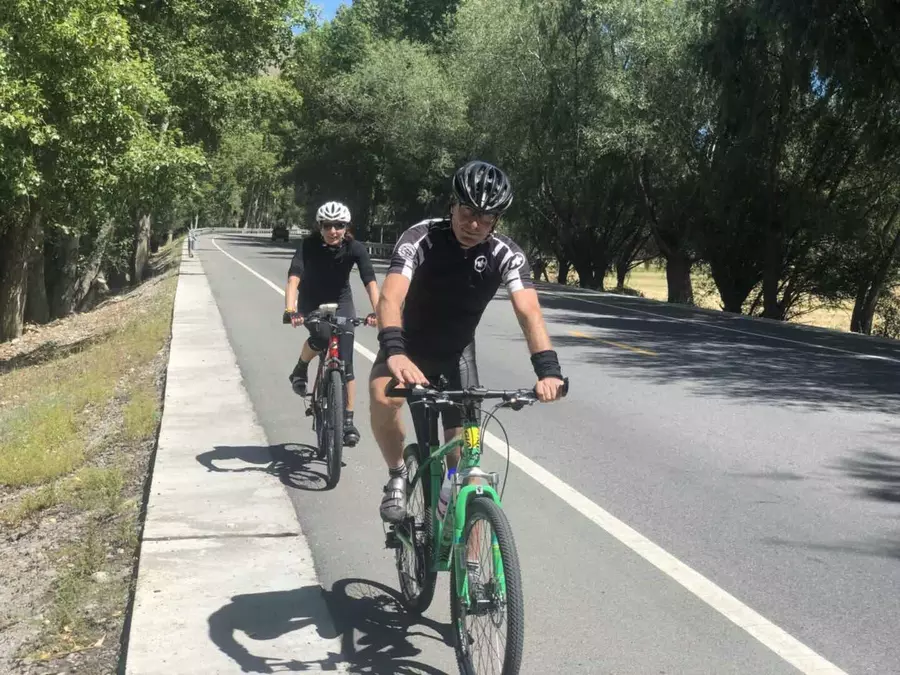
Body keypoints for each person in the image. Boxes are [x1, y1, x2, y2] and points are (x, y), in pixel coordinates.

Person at [368, 160, 567, 523]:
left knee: (466, 468)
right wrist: (394, 351)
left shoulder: (505, 253)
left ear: (496, 220)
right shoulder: (421, 237)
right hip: (407, 348)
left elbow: (529, 312)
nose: (474, 224)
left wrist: (548, 369)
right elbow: (390, 298)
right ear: (452, 206)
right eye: (468, 212)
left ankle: (469, 549)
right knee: (383, 397)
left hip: (457, 356)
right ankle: (397, 474)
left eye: (485, 217)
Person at [284, 201, 378, 447]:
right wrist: (291, 310)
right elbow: (294, 277)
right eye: (327, 226)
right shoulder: (308, 245)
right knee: (323, 336)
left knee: (346, 361)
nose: (333, 231)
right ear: (320, 226)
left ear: (346, 227)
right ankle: (300, 368)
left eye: (339, 225)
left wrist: (378, 312)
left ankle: (347, 421)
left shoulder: (355, 248)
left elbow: (370, 281)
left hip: (341, 300)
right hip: (311, 300)